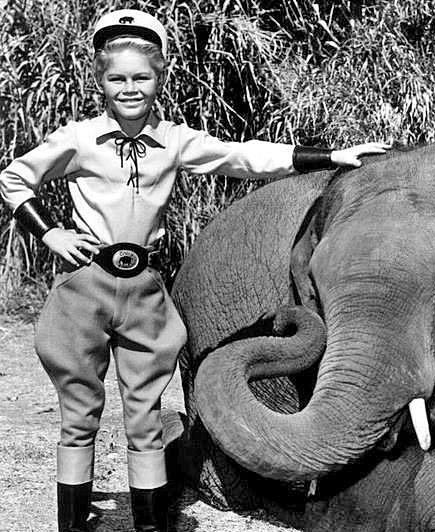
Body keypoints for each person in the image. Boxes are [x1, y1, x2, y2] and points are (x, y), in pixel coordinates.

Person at [0, 8, 389, 532]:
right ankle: (72, 522)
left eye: (142, 77)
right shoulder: (79, 139)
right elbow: (14, 178)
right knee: (79, 409)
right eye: (117, 79)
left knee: (144, 409)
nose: (130, 89)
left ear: (159, 78)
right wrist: (50, 233)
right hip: (85, 286)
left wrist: (329, 156)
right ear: (100, 80)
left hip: (143, 290)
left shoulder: (176, 140)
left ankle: (150, 523)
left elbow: (242, 157)